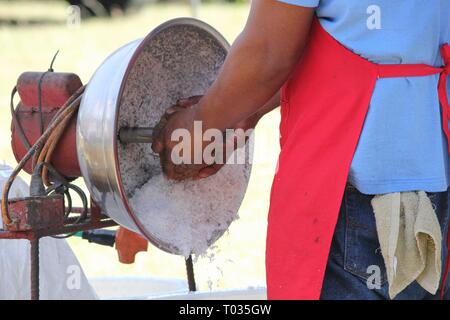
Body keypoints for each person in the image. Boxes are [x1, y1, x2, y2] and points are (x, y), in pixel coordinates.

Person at [152, 0, 450, 299]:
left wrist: (199, 125)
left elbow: (269, 51)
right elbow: (374, 39)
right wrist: (247, 110)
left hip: (356, 187)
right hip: (438, 162)